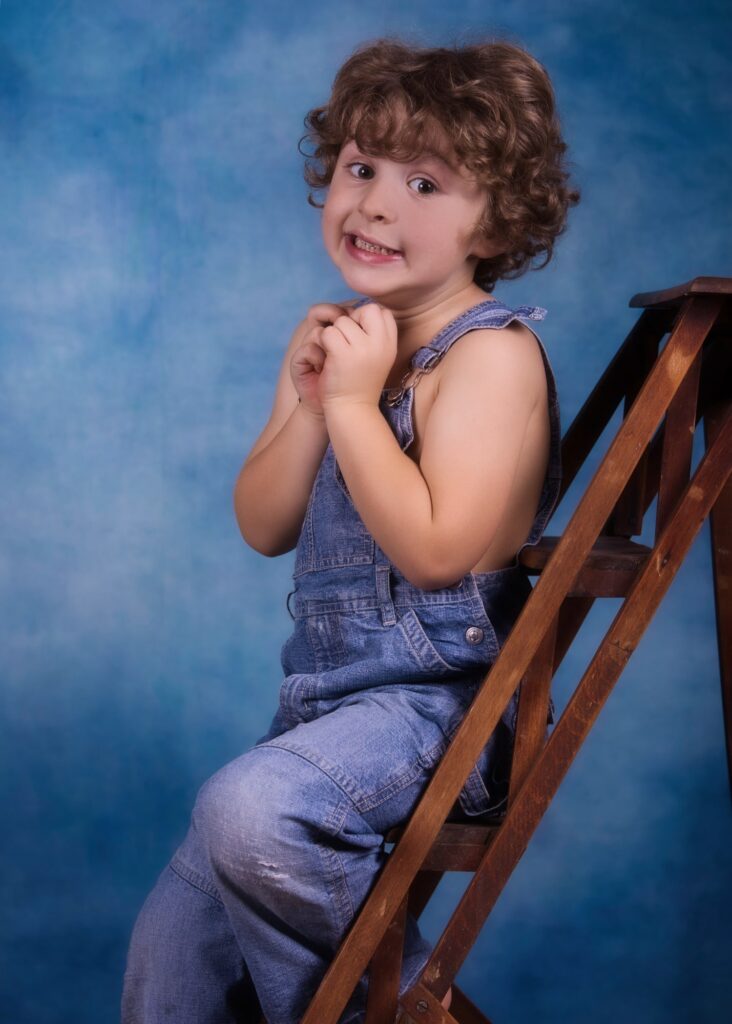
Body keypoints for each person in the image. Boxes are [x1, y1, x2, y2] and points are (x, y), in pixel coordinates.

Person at [122, 34, 580, 1024]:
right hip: (323, 713)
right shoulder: (348, 345)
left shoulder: (489, 358)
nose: (374, 203)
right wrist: (307, 403)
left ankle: (389, 1008)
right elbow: (264, 525)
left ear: (498, 220)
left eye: (425, 184)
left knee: (251, 811)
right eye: (362, 168)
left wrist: (352, 406)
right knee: (173, 940)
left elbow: (437, 552)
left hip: (441, 713)